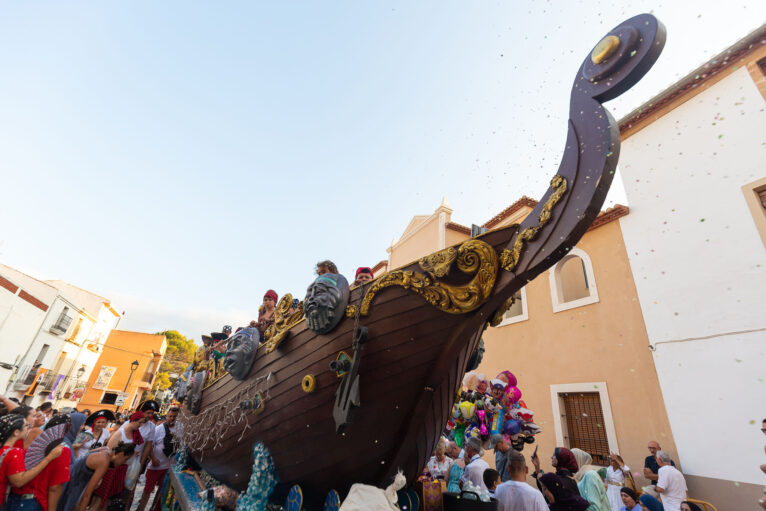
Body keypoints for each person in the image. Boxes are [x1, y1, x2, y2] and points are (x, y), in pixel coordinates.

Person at [0, 414, 64, 510]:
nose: (29, 428)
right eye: (26, 426)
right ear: (16, 432)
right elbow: (19, 481)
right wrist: (49, 458)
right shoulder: (13, 452)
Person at [57, 442, 135, 511]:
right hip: (70, 482)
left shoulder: (105, 450)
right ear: (121, 454)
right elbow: (87, 494)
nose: (123, 463)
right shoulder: (104, 461)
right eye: (125, 459)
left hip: (68, 475)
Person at [137, 407, 179, 511]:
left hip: (170, 467)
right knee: (147, 490)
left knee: (162, 490)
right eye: (170, 416)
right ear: (166, 416)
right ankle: (141, 508)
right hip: (156, 466)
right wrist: (153, 458)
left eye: (174, 417)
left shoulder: (181, 428)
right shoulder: (159, 429)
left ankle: (154, 508)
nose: (172, 418)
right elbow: (149, 445)